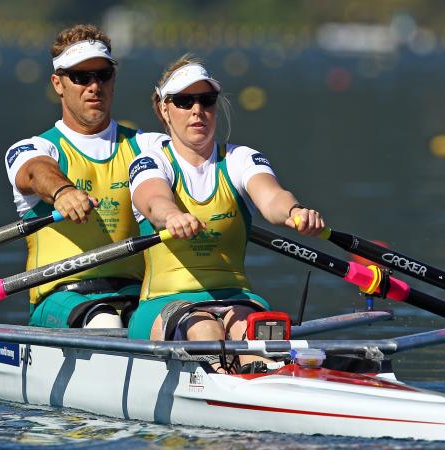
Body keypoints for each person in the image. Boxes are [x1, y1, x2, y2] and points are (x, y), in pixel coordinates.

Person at [127, 55, 325, 373]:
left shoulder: (239, 159)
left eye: (206, 100)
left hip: (238, 299)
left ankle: (264, 377)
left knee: (257, 331)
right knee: (205, 330)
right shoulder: (150, 162)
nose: (197, 110)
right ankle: (227, 383)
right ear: (165, 109)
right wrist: (171, 216)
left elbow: (271, 195)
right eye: (184, 100)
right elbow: (153, 200)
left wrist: (293, 210)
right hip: (163, 304)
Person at [4, 24, 165, 329]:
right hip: (60, 297)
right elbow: (36, 172)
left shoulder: (146, 145)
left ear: (113, 79)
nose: (94, 86)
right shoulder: (36, 148)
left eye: (102, 75)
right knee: (105, 323)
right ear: (58, 84)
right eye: (81, 77)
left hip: (135, 294)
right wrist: (62, 191)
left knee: (175, 321)